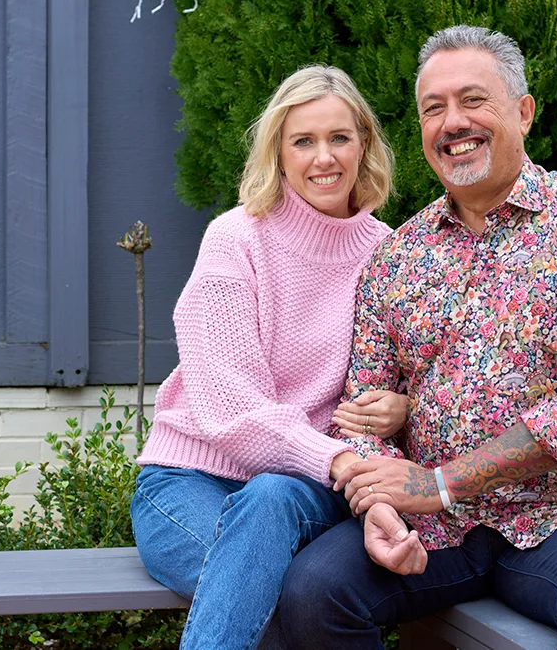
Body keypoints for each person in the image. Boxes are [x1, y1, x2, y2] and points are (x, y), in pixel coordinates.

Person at [276, 25, 557, 650]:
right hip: (434, 527)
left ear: (524, 112)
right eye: (434, 109)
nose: (453, 122)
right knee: (315, 589)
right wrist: (377, 507)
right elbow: (361, 413)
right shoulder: (397, 255)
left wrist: (439, 482)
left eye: (473, 100)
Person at [130, 64, 409, 650]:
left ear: (365, 144)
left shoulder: (392, 253)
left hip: (301, 490)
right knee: (278, 600)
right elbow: (230, 406)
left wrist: (402, 408)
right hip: (190, 480)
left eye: (339, 138)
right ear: (278, 153)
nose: (323, 158)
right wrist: (335, 461)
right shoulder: (237, 239)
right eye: (302, 141)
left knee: (271, 505)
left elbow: (418, 375)